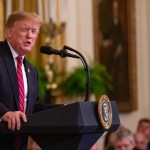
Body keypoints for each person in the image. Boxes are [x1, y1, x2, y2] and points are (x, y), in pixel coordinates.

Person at [0, 11, 43, 149]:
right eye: (24, 29)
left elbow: (34, 109)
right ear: (9, 32)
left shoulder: (32, 71)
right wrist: (3, 113)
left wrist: (65, 110)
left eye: (34, 31)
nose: (29, 35)